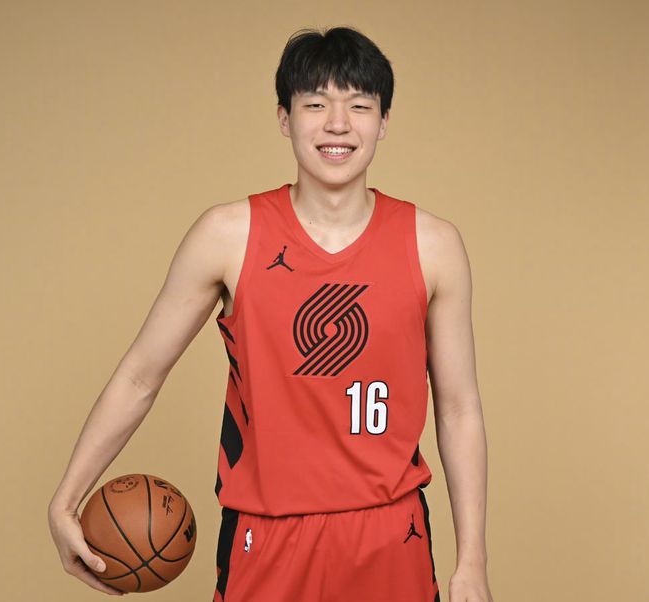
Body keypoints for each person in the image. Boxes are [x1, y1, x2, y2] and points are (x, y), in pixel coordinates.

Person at [48, 25, 493, 602]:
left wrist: (472, 559)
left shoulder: (433, 245)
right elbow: (140, 376)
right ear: (285, 117)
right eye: (316, 104)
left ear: (384, 120)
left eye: (359, 105)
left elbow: (458, 408)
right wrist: (65, 499)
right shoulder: (227, 235)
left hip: (391, 535)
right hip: (264, 537)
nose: (338, 124)